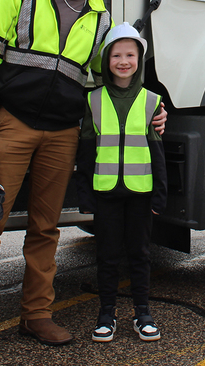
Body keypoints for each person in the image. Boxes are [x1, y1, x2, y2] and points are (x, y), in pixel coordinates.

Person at [0, 0, 164, 360]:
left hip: (63, 132)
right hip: (14, 124)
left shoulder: (101, 18)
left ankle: (36, 315)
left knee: (45, 229)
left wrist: (154, 110)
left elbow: (115, 79)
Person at [75, 22, 167, 343]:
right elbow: (85, 151)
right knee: (108, 255)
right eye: (116, 55)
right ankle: (106, 314)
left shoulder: (152, 101)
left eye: (130, 54)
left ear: (139, 59)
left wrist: (159, 195)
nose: (124, 61)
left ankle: (143, 313)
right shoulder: (94, 100)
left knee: (140, 254)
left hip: (140, 195)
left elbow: (157, 154)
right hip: (106, 195)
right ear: (106, 61)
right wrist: (84, 194)